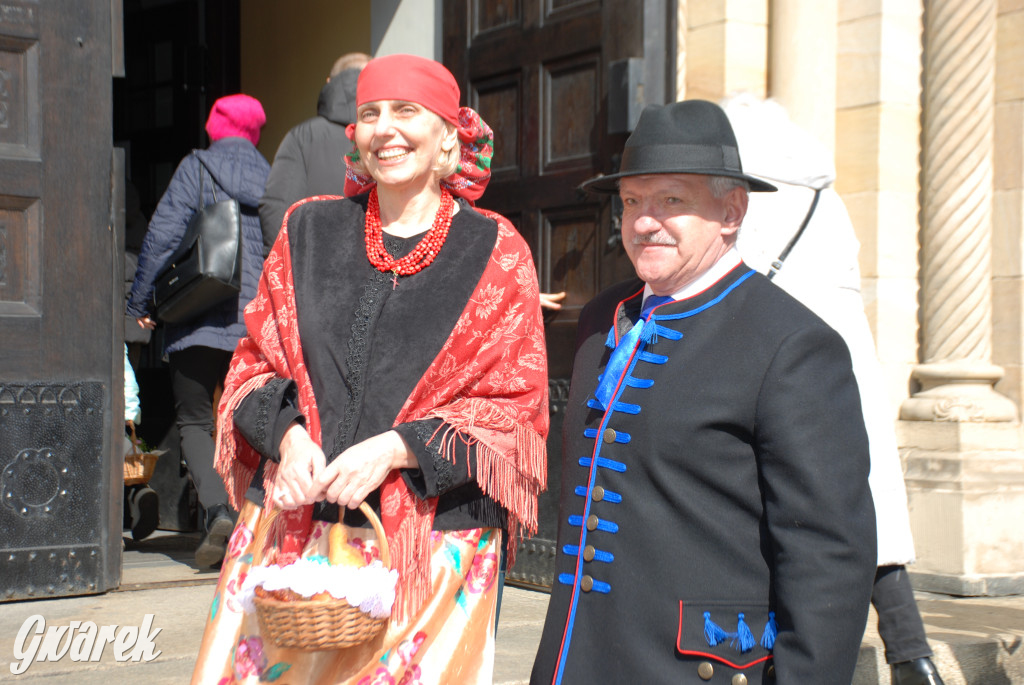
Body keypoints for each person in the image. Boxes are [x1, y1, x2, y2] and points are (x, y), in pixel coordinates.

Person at [191, 54, 548, 684]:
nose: (385, 129)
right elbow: (252, 366)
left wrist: (396, 450)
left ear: (449, 136)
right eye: (369, 114)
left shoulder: (495, 248)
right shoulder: (308, 228)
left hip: (431, 554)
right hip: (291, 547)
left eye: (407, 112)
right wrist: (288, 437)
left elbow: (513, 411)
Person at [530, 100, 878, 684]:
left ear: (731, 211)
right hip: (577, 661)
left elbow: (829, 556)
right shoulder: (600, 319)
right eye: (633, 202)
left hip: (695, 668)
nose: (644, 222)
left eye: (672, 201)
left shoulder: (792, 344)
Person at [724, 94, 945, 685]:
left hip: (778, 365)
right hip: (845, 355)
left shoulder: (746, 195)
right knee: (866, 506)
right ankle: (912, 654)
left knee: (800, 512)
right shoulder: (825, 193)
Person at [126, 93, 271, 568]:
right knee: (253, 423)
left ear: (214, 126)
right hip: (252, 323)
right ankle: (255, 520)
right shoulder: (271, 178)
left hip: (197, 317)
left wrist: (142, 303)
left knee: (194, 421)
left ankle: (217, 513)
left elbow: (164, 234)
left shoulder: (197, 167)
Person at [258, 51, 370, 256]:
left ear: (329, 83)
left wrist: (285, 267)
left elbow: (277, 209)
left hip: (313, 268)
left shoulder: (302, 137)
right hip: (378, 270)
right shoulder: (390, 138)